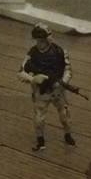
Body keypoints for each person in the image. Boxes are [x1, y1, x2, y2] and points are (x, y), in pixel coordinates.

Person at [18, 23, 76, 151]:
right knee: (39, 118)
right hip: (41, 91)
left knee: (65, 116)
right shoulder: (32, 53)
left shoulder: (60, 51)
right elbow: (21, 72)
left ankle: (68, 135)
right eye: (39, 40)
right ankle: (40, 141)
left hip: (58, 90)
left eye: (43, 40)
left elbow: (68, 70)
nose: (41, 43)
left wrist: (62, 82)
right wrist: (33, 79)